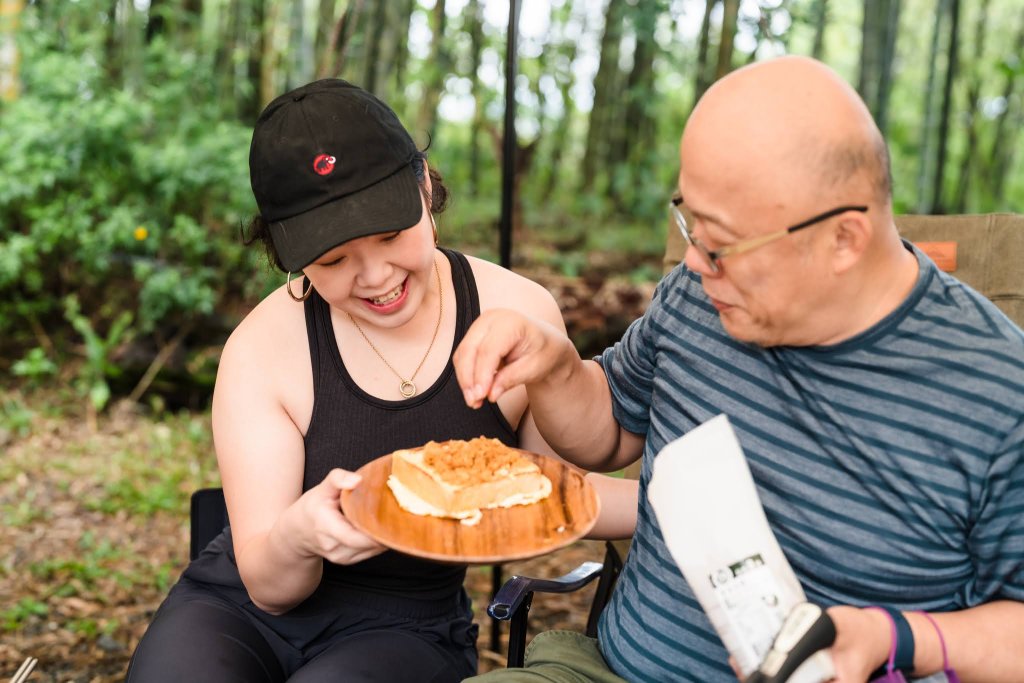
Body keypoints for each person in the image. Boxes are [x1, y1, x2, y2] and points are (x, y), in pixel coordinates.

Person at [456, 56, 1024, 683]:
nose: (695, 261)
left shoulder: (997, 395)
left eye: (721, 244)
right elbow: (610, 433)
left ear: (844, 238)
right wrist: (557, 369)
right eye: (687, 218)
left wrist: (897, 637)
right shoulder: (698, 299)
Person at [125, 78, 636, 683]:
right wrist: (298, 535)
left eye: (391, 234)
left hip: (407, 624)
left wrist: (682, 500)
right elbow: (269, 587)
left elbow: (553, 499)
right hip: (241, 607)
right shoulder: (261, 349)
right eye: (332, 260)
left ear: (424, 185)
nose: (374, 277)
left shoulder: (517, 310)